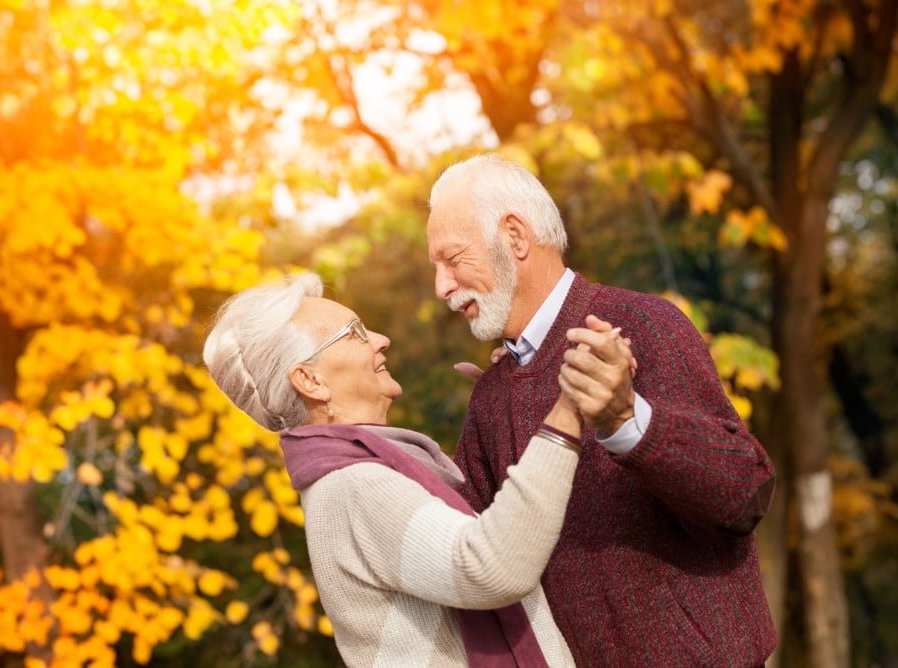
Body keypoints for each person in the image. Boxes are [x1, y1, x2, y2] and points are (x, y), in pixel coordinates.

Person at [426, 153, 778, 666]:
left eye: (453, 258)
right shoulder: (490, 398)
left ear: (516, 238)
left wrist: (626, 422)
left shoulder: (646, 323)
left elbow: (744, 494)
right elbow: (477, 558)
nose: (442, 286)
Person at [203, 272, 634, 667]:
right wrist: (570, 406)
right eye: (354, 333)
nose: (381, 339)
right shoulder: (355, 485)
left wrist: (510, 399)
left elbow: (496, 526)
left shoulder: (364, 473)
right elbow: (491, 566)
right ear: (310, 381)